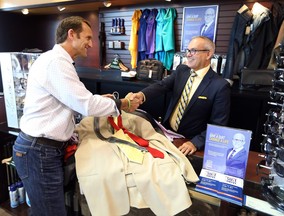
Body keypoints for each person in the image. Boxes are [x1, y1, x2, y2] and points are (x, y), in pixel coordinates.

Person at [12, 16, 140, 216]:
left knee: (45, 211)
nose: (91, 43)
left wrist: (98, 99)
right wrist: (122, 103)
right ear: (71, 34)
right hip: (39, 151)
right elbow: (86, 105)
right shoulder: (55, 63)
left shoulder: (58, 62)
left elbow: (72, 99)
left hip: (42, 150)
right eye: (87, 37)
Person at [133, 36, 231, 156]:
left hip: (188, 142)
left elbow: (218, 125)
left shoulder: (220, 86)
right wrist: (141, 95)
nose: (188, 55)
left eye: (193, 51)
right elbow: (162, 86)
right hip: (167, 133)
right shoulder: (181, 71)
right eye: (188, 50)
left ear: (208, 54)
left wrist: (195, 143)